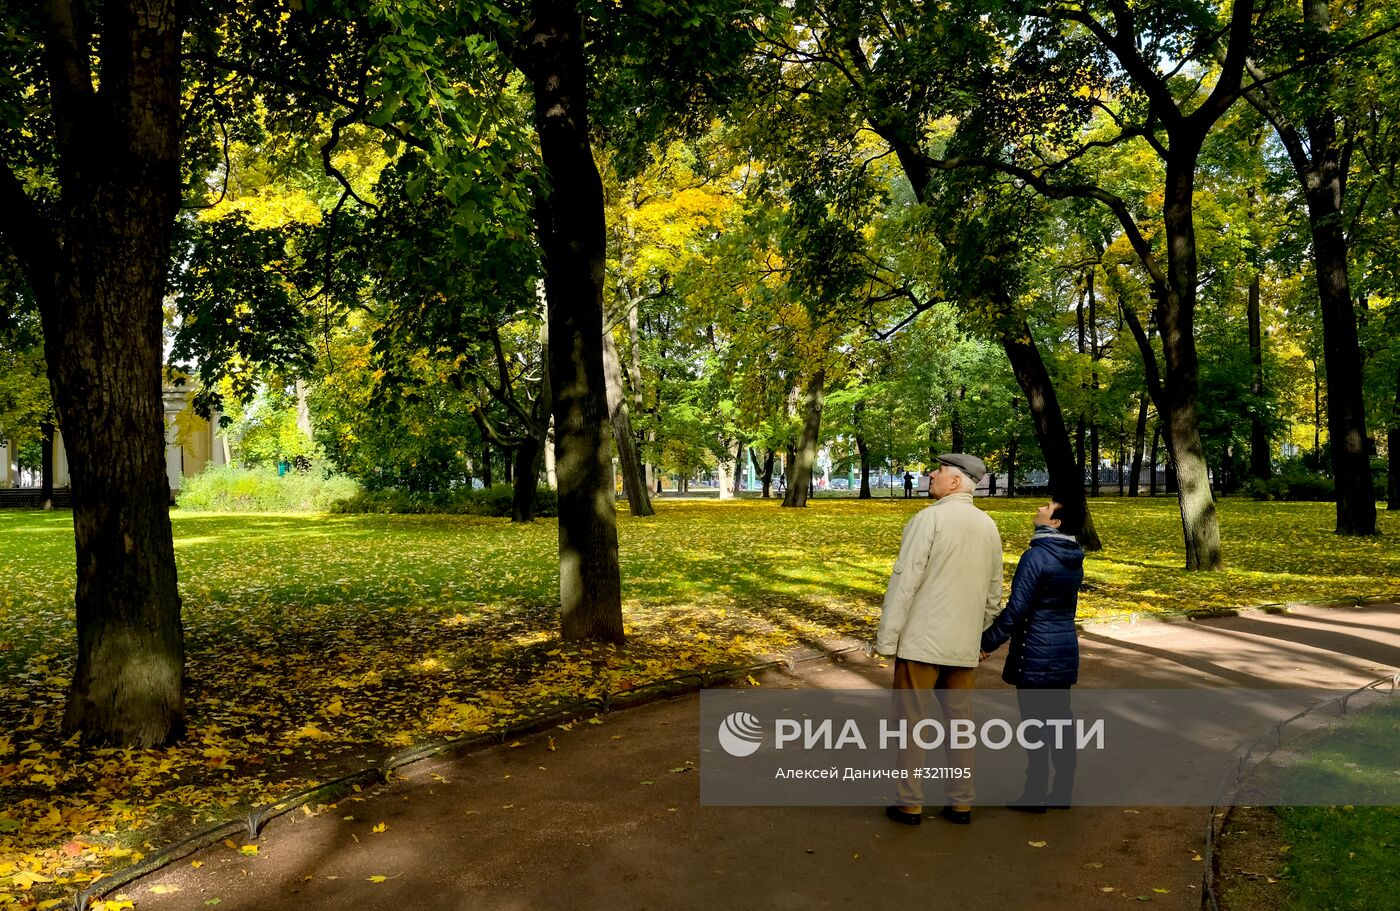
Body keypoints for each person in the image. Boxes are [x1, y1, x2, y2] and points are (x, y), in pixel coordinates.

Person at [874, 453, 1004, 826]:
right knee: (960, 725)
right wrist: (980, 636)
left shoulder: (927, 519)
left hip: (921, 643)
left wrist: (886, 641)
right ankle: (961, 802)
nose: (931, 474)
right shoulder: (988, 526)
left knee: (911, 723)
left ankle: (909, 803)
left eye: (939, 471)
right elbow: (993, 594)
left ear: (955, 482)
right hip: (962, 645)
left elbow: (904, 583)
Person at [979, 499, 1086, 812]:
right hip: (1064, 648)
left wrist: (986, 643)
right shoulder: (1072, 556)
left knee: (1035, 728)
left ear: (1055, 523)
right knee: (1061, 724)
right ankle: (1062, 792)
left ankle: (1035, 794)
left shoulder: (1036, 556)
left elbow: (1016, 610)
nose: (1041, 508)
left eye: (1049, 507)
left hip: (1036, 652)